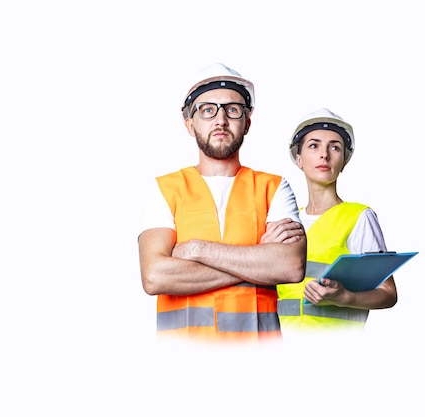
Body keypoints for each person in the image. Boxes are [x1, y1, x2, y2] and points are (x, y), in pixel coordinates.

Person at [138, 63, 307, 343]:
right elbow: (155, 276)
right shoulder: (165, 189)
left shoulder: (274, 187)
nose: (220, 120)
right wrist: (257, 260)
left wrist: (194, 249)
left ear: (247, 122)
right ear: (190, 125)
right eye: (208, 110)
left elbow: (290, 267)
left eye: (232, 109)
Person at [276, 108, 397, 335]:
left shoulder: (359, 217)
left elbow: (388, 293)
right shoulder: (287, 222)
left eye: (335, 147)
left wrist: (345, 297)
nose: (325, 155)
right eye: (314, 145)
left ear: (344, 161)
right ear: (299, 159)